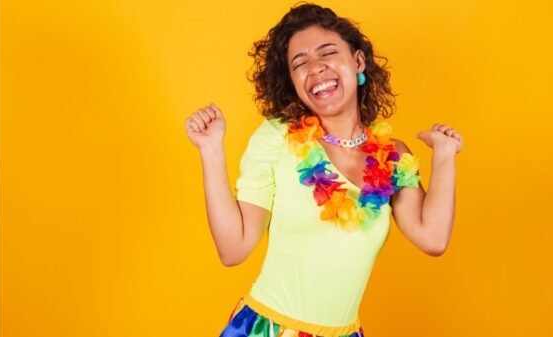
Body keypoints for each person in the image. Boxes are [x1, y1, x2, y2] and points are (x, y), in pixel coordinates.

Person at [185, 2, 462, 336]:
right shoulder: (277, 138)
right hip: (267, 330)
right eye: (299, 63)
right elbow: (233, 249)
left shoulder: (391, 157)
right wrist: (211, 151)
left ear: (357, 61)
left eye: (327, 53)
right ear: (292, 81)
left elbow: (432, 237)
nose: (315, 68)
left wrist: (445, 155)